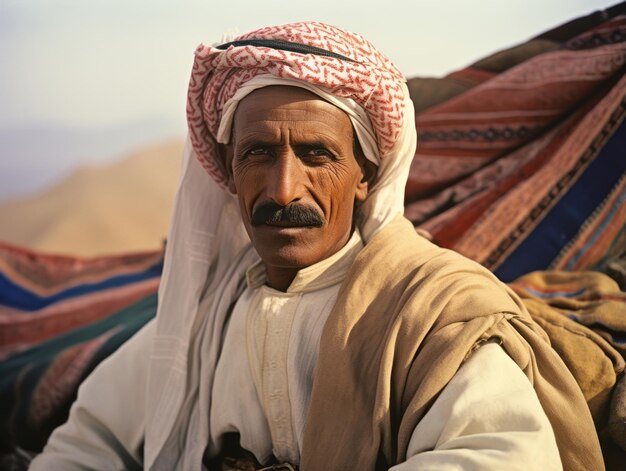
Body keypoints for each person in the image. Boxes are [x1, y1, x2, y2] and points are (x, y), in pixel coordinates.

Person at [30, 22, 603, 471]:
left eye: (316, 155)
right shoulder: (206, 316)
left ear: (363, 177)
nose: (283, 189)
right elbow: (88, 444)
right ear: (228, 171)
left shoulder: (434, 314)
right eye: (257, 153)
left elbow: (500, 457)